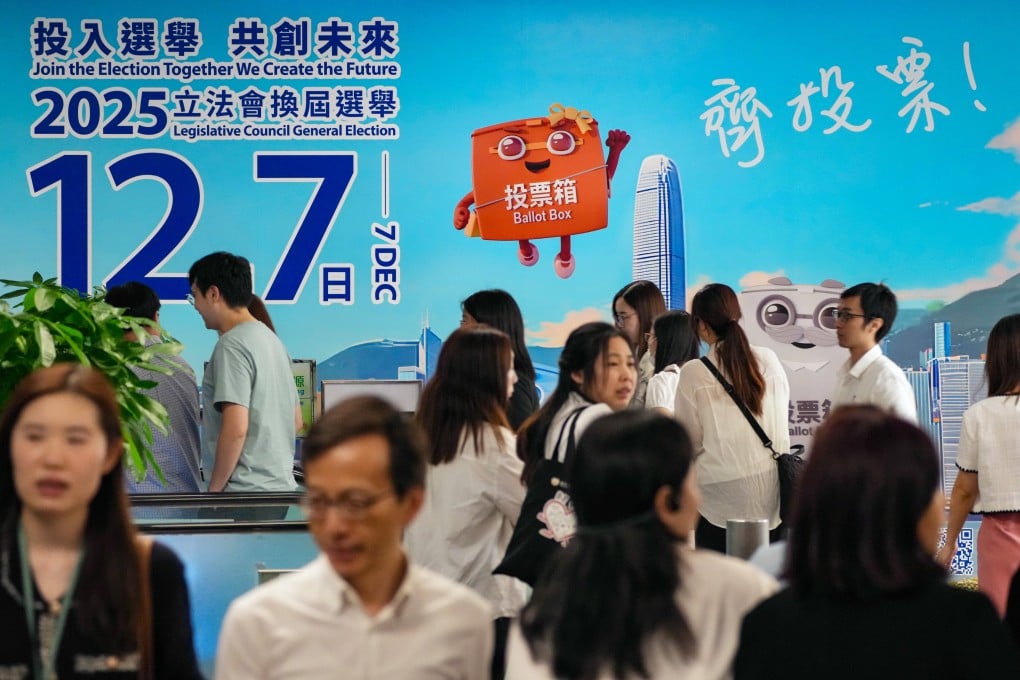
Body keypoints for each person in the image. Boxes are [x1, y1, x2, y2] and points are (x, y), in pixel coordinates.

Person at [216, 395, 492, 679]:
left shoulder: (463, 621)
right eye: (320, 502)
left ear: (410, 504)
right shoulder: (258, 623)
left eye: (357, 503)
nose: (335, 527)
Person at [735, 405, 1020, 679]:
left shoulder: (767, 624)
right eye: (933, 486)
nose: (941, 501)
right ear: (909, 506)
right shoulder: (963, 621)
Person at [506, 410, 777, 679]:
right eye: (694, 484)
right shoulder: (738, 590)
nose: (699, 499)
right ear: (667, 503)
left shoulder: (541, 615)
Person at [0, 364, 201, 678]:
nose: (53, 458)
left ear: (110, 454)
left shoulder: (151, 571)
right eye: (34, 436)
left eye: (76, 439)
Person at [406, 325, 527, 679]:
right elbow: (536, 518)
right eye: (508, 368)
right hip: (484, 616)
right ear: (486, 377)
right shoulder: (494, 445)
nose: (515, 378)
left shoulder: (422, 438)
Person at [675, 283, 790, 552]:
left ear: (701, 325)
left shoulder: (694, 372)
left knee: (722, 589)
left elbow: (688, 443)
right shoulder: (769, 360)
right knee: (765, 585)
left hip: (717, 500)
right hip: (772, 497)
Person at [188, 252, 301, 492]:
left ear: (213, 293)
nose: (196, 306)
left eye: (195, 296)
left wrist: (214, 491)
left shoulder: (232, 345)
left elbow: (236, 427)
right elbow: (296, 421)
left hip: (243, 492)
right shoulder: (272, 341)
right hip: (279, 489)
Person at [938, 313, 1020, 616]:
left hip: (1001, 537)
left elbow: (963, 490)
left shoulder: (980, 414)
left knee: (1002, 627)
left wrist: (950, 544)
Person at [105, 281, 202, 493]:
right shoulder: (184, 367)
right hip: (189, 502)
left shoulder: (113, 371)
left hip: (139, 505)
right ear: (156, 316)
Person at [830, 282, 917, 422]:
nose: (838, 323)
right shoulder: (846, 376)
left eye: (846, 315)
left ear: (874, 325)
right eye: (838, 314)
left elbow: (904, 441)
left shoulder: (886, 379)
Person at [461, 289, 539, 431]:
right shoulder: (471, 380)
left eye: (465, 320)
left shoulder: (514, 388)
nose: (460, 328)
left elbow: (518, 448)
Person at [611, 281, 666, 408]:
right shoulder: (632, 354)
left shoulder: (661, 362)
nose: (619, 324)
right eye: (617, 317)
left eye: (623, 317)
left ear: (645, 314)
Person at [644, 310, 700, 416]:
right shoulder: (701, 376)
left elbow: (663, 430)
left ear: (665, 342)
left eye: (651, 336)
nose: (648, 343)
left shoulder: (662, 381)